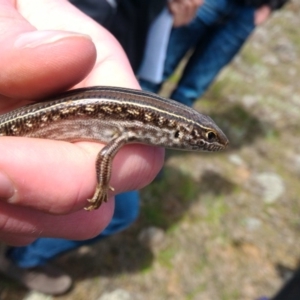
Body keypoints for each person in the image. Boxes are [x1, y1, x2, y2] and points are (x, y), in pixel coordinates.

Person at [0, 0, 163, 295]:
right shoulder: (131, 128)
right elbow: (105, 153)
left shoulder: (134, 126)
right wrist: (102, 186)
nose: (207, 144)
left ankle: (20, 259)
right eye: (205, 137)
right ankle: (20, 260)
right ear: (177, 131)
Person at [139, 0, 289, 107]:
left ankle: (164, 143)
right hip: (205, 3)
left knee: (190, 90)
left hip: (248, 11)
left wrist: (269, 7)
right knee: (155, 73)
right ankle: (130, 129)